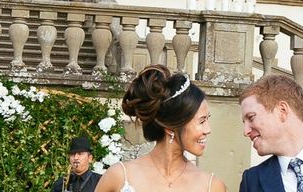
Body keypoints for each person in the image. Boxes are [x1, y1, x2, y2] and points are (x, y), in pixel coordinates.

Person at [94, 65, 227, 192]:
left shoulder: (212, 186)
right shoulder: (119, 177)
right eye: (202, 121)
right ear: (170, 127)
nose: (208, 130)